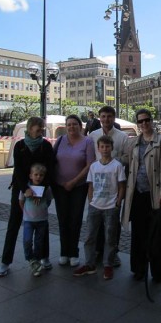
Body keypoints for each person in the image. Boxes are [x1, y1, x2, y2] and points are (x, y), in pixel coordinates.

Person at [0, 116, 55, 277]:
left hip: (40, 190)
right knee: (14, 223)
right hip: (22, 190)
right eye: (38, 128)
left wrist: (39, 191)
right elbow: (19, 171)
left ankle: (44, 256)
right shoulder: (20, 146)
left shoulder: (46, 146)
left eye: (42, 129)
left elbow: (50, 170)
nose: (40, 131)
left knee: (42, 222)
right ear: (29, 129)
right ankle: (5, 261)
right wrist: (26, 189)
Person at [121, 109, 161, 282]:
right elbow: (127, 160)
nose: (144, 124)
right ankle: (139, 268)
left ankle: (158, 271)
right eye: (140, 121)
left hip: (154, 193)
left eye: (146, 120)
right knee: (138, 233)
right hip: (136, 193)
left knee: (156, 233)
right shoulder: (134, 142)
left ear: (152, 121)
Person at [73, 135, 126, 280]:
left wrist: (118, 202)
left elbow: (122, 186)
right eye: (102, 146)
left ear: (112, 148)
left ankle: (108, 264)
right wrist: (91, 201)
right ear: (98, 148)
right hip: (95, 206)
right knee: (90, 235)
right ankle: (89, 263)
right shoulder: (94, 166)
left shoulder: (117, 166)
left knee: (110, 237)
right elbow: (90, 185)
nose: (105, 149)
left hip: (111, 207)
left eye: (107, 146)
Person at [54, 114, 95, 267]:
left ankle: (74, 252)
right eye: (69, 124)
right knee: (63, 218)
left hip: (78, 186)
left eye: (74, 124)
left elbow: (90, 164)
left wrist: (73, 181)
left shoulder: (87, 142)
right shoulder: (60, 140)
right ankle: (64, 251)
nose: (71, 127)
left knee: (75, 219)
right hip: (60, 186)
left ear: (80, 126)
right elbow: (52, 160)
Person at [89, 105, 129, 266]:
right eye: (103, 116)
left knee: (113, 224)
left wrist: (114, 162)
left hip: (114, 185)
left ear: (114, 118)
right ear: (99, 118)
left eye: (109, 116)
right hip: (97, 185)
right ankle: (98, 251)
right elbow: (89, 157)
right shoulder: (92, 135)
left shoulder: (122, 136)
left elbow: (127, 156)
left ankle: (113, 253)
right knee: (96, 222)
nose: (106, 119)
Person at [19, 163, 52, 277]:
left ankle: (36, 262)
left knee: (39, 242)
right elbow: (21, 200)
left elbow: (48, 201)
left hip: (42, 220)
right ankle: (30, 259)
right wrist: (26, 212)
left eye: (41, 175)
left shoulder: (46, 189)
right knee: (27, 240)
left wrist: (42, 209)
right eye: (36, 174)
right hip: (28, 220)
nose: (38, 177)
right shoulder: (26, 188)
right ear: (30, 176)